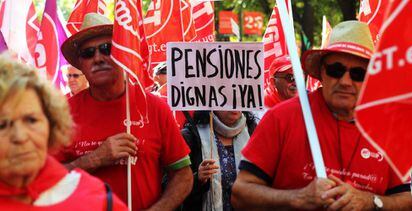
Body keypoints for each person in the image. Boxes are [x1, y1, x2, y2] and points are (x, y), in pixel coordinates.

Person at [232, 21, 412, 210]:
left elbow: (406, 199)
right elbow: (241, 193)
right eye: (336, 70)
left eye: (358, 73)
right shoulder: (282, 118)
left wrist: (370, 201)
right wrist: (298, 198)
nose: (345, 81)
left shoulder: (389, 130)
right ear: (321, 72)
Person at [57, 13, 193, 210]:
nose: (97, 58)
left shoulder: (154, 107)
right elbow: (43, 179)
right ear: (81, 65)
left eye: (107, 49)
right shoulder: (63, 114)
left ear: (123, 53)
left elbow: (182, 174)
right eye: (88, 53)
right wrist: (94, 159)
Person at [0, 53, 127, 210]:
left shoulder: (97, 200)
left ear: (51, 125)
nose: (20, 136)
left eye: (31, 120)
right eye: (2, 125)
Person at [181, 111, 256, 211]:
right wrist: (196, 179)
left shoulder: (254, 131)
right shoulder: (191, 136)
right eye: (227, 98)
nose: (234, 106)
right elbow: (171, 187)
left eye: (238, 98)